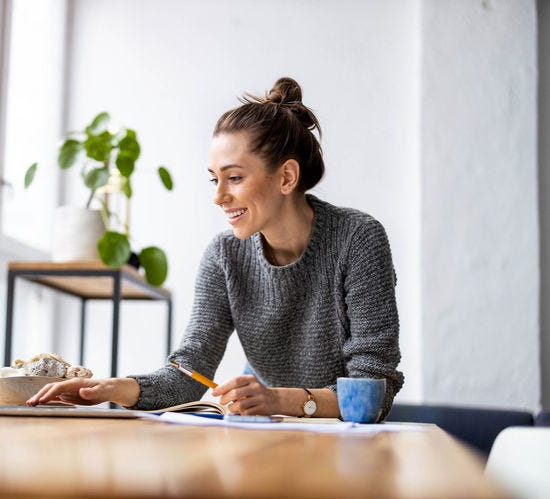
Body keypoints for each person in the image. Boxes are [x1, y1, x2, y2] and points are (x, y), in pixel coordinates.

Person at [27, 77, 404, 419]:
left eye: (234, 178)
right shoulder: (224, 255)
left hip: (348, 445)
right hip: (270, 434)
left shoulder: (358, 239)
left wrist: (277, 400)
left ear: (287, 177)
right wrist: (114, 388)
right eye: (214, 180)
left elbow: (373, 391)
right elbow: (190, 372)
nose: (219, 197)